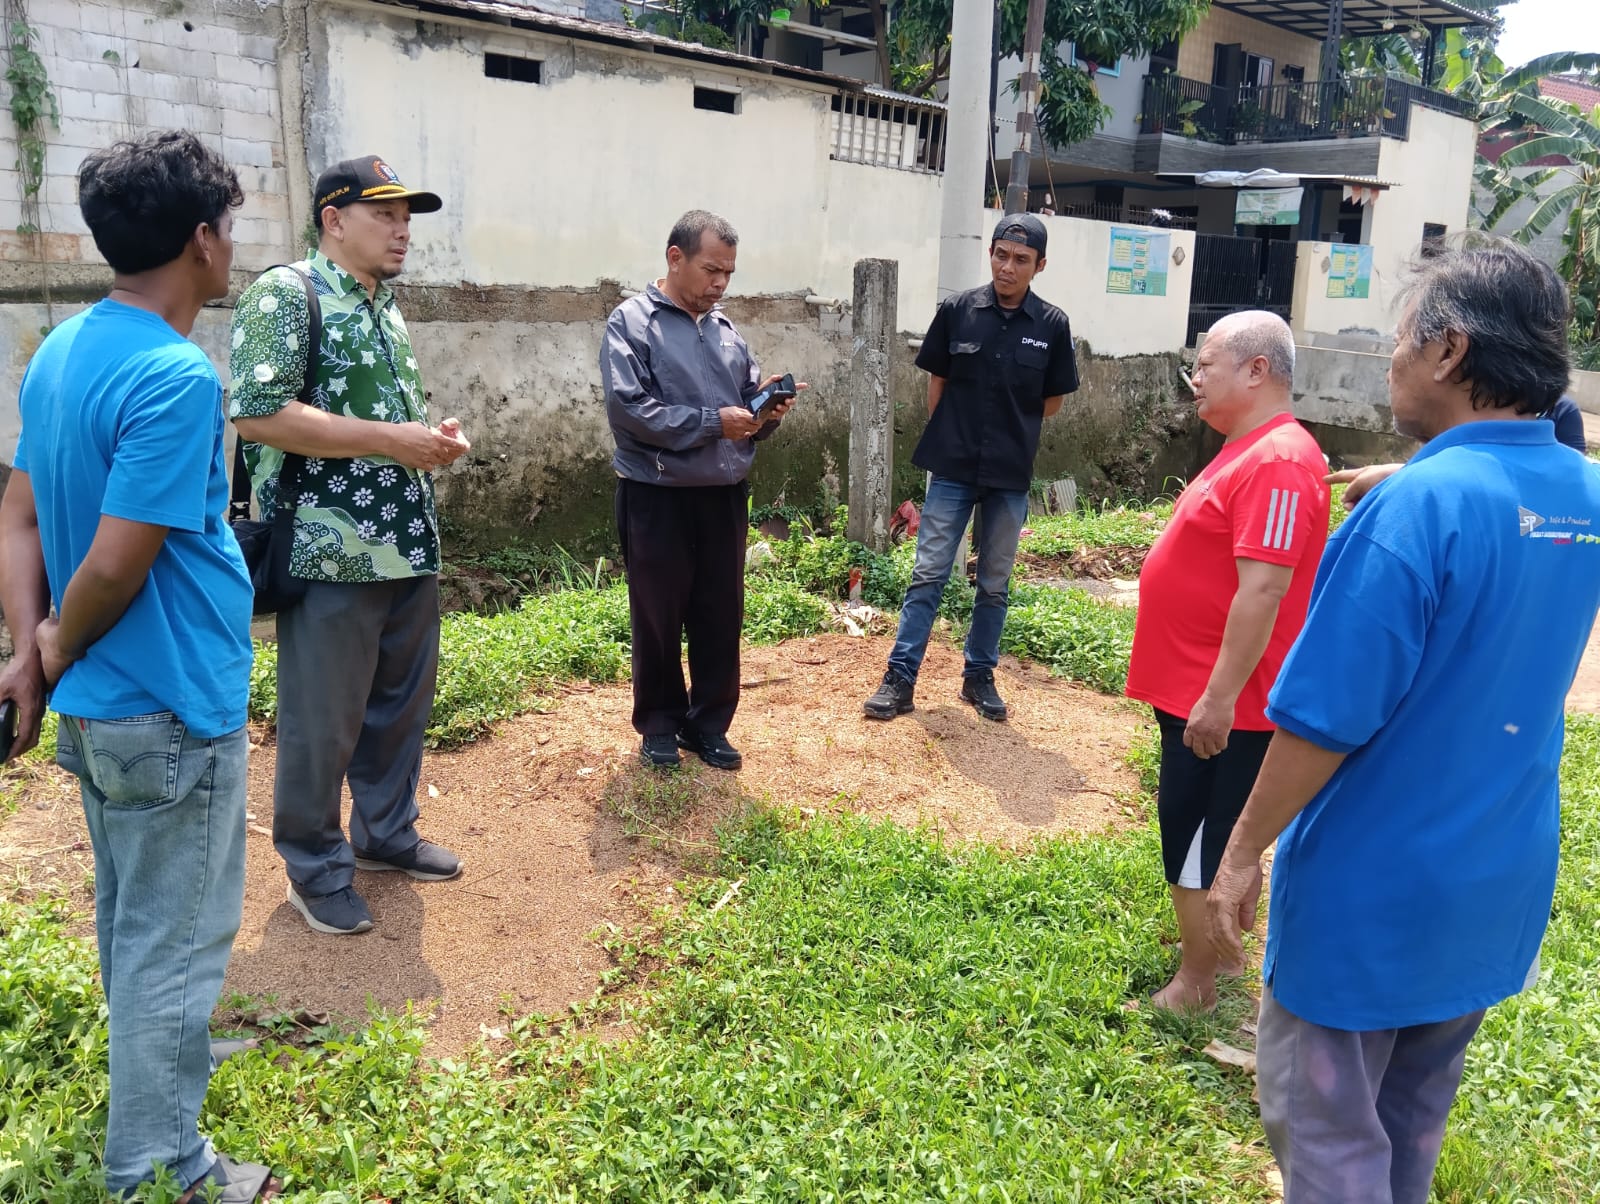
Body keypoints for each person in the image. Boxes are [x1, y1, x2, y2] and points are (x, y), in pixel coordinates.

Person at [1206, 237, 1600, 1204]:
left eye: (1397, 340)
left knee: (1329, 1130)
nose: (1388, 360)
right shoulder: (1583, 497)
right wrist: (1425, 475)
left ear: (1449, 350)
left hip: (1372, 893)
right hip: (1494, 880)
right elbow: (1515, 505)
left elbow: (1325, 719)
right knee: (1412, 1115)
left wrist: (1242, 851)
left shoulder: (1417, 510)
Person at [0, 132, 277, 1201]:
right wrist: (55, 646)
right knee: (176, 941)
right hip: (168, 706)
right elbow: (116, 562)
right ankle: (161, 1167)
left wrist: (27, 658)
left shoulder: (62, 349)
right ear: (202, 239)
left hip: (103, 713)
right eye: (230, 229)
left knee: (134, 921)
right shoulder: (174, 375)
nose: (231, 249)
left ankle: (160, 1069)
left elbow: (18, 516)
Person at [229, 156, 471, 936]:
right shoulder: (285, 293)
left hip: (406, 542)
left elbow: (379, 423)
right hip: (328, 549)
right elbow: (259, 413)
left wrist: (428, 443)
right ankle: (313, 861)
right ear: (334, 219)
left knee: (399, 706)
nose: (403, 230)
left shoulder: (383, 304)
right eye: (385, 214)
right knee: (322, 717)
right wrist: (389, 440)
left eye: (408, 216)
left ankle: (385, 835)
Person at [1124, 311, 1330, 1012]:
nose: (1195, 379)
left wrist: (1217, 697)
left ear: (1256, 370)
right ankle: (1220, 951)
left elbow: (1265, 586)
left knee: (1197, 839)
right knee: (1203, 828)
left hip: (1224, 702)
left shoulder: (1276, 461)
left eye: (1206, 364)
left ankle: (1196, 983)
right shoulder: (1249, 449)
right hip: (1197, 687)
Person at [601, 210, 801, 771]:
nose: (720, 283)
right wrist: (717, 422)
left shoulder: (727, 331)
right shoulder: (630, 323)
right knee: (658, 614)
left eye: (729, 273)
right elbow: (631, 412)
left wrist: (768, 409)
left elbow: (744, 409)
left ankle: (708, 724)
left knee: (720, 613)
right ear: (675, 258)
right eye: (711, 269)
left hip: (723, 496)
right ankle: (660, 723)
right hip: (656, 494)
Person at [863, 213, 1078, 723]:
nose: (1008, 267)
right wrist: (954, 436)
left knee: (996, 582)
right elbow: (937, 384)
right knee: (929, 573)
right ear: (991, 255)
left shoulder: (1051, 326)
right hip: (954, 466)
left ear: (1039, 266)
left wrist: (1007, 428)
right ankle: (900, 678)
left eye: (1021, 260)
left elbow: (1053, 403)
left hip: (1009, 473)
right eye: (1001, 254)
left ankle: (978, 676)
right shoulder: (957, 311)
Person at [1328, 394, 1585, 505]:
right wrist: (1404, 474)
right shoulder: (1485, 406)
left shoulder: (1562, 410)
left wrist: (1404, 477)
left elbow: (1571, 476)